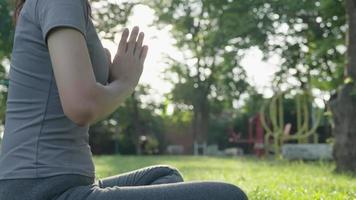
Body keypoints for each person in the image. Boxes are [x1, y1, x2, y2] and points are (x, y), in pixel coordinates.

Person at [0, 0, 248, 199]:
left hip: (52, 182)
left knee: (164, 175)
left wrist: (109, 80)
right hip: (42, 189)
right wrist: (126, 82)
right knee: (228, 195)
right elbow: (82, 106)